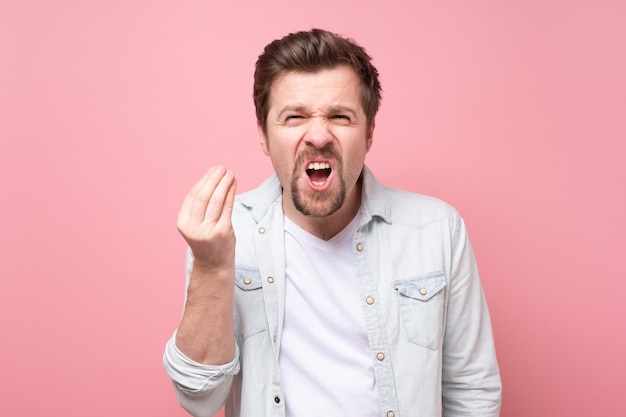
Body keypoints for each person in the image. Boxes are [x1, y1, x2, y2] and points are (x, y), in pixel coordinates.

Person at [163, 28, 502, 417]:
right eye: (295, 117)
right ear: (263, 134)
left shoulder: (438, 230)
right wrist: (210, 265)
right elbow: (198, 398)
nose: (319, 135)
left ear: (369, 132)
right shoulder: (224, 235)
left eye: (340, 117)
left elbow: (472, 390)